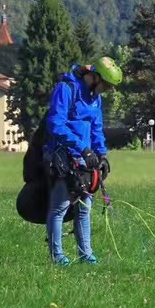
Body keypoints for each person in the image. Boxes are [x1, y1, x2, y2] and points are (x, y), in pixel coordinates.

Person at [43, 57, 122, 266]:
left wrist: (102, 155)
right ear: (95, 77)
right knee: (60, 207)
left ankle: (86, 255)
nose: (107, 90)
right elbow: (55, 123)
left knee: (84, 206)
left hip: (85, 158)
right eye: (106, 85)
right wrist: (82, 148)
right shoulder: (67, 88)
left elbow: (96, 128)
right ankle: (57, 256)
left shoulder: (95, 98)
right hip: (63, 155)